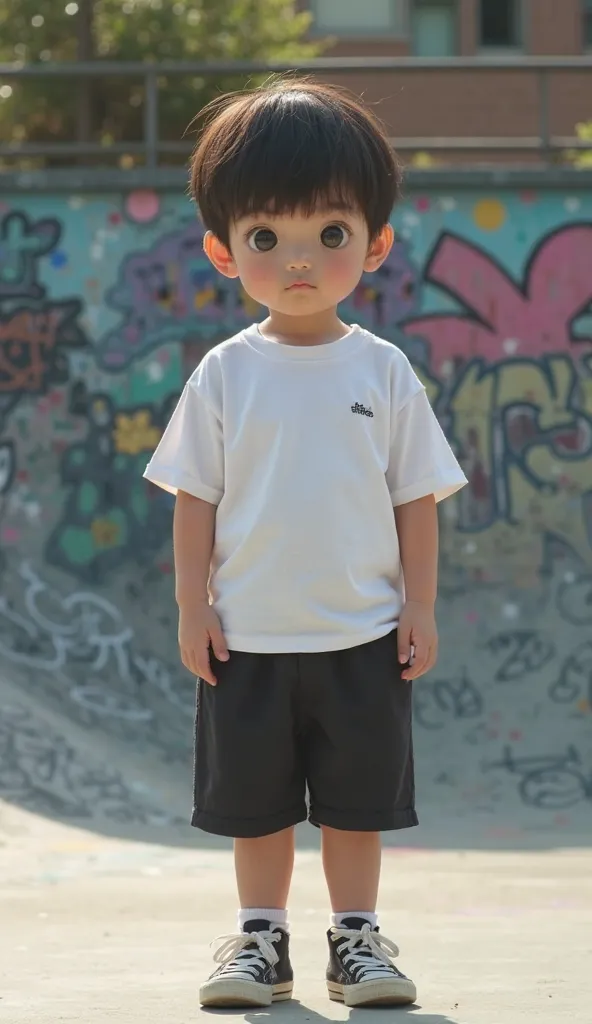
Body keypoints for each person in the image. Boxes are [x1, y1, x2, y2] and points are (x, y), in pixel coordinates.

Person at [144, 79, 467, 1010]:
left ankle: (357, 941)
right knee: (258, 804)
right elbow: (194, 497)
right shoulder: (225, 374)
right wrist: (192, 605)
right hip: (246, 637)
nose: (299, 260)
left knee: (359, 803)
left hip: (364, 634)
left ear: (374, 244)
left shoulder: (383, 369)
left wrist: (420, 604)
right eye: (265, 238)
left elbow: (416, 496)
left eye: (329, 234)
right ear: (222, 249)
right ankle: (260, 941)